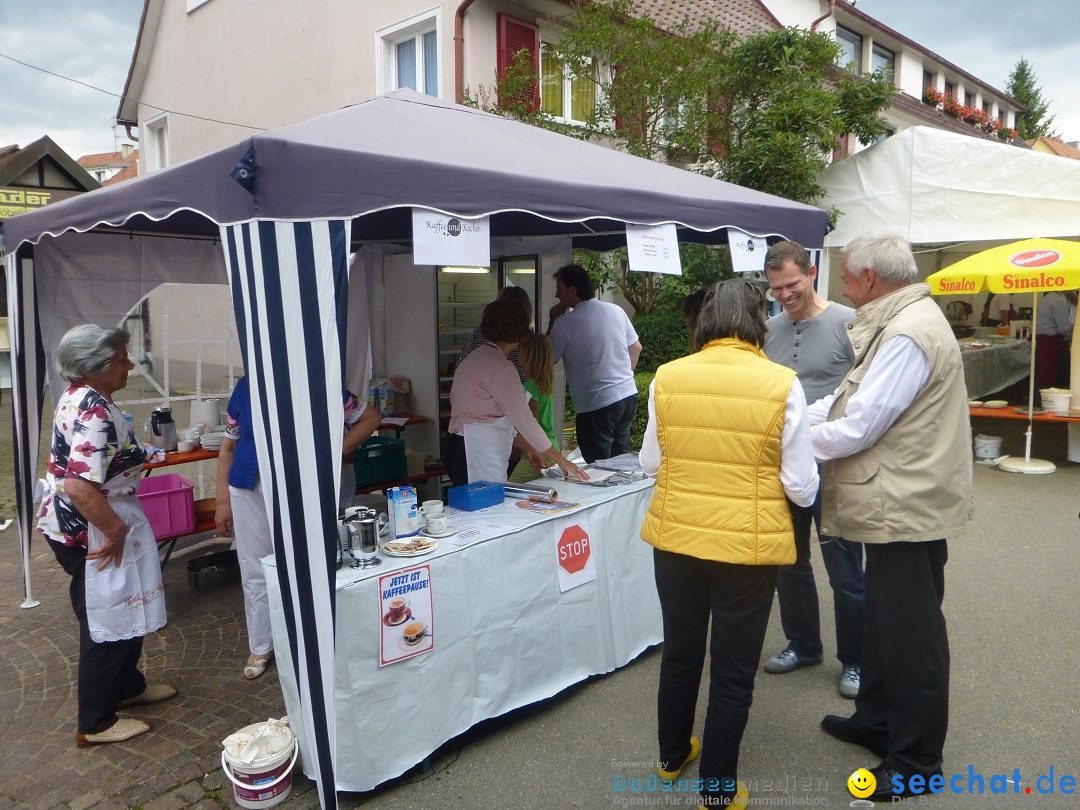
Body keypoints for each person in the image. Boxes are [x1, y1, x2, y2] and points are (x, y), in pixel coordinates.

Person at [639, 280, 818, 809]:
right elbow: (802, 485)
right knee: (734, 672)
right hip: (748, 547)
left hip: (676, 539)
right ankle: (717, 792)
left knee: (680, 650)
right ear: (758, 319)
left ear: (707, 321)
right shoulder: (782, 382)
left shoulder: (667, 377)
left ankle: (672, 756)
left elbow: (651, 462)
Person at [810, 231, 972, 802]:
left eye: (847, 278)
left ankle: (916, 761)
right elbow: (851, 403)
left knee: (910, 635)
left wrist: (790, 437)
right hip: (901, 497)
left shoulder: (906, 330)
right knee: (885, 623)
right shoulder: (904, 318)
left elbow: (859, 426)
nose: (844, 289)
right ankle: (876, 721)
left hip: (905, 502)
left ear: (870, 279)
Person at [37, 324, 177, 746]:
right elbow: (80, 485)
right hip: (90, 526)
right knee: (105, 616)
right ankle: (95, 723)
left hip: (83, 519)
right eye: (121, 358)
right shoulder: (94, 409)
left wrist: (139, 452)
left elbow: (93, 462)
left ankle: (127, 687)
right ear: (96, 366)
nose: (129, 365)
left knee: (122, 605)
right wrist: (114, 532)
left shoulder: (85, 396)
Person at [215, 377, 380, 679]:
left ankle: (314, 639)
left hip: (303, 487)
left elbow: (370, 419)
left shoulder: (319, 376)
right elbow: (229, 444)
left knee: (311, 563)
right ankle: (261, 643)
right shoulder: (246, 386)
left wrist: (334, 452)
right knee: (255, 567)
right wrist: (221, 501)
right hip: (249, 484)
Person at [762, 241, 865, 699]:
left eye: (792, 285)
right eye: (776, 288)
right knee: (789, 561)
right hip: (784, 464)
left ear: (812, 272)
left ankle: (857, 660)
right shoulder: (767, 330)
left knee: (844, 567)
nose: (784, 295)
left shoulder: (848, 322)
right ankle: (804, 644)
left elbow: (866, 395)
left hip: (834, 465)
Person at [445, 297, 586, 486]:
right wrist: (560, 460)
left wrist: (527, 448)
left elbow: (488, 417)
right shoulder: (501, 369)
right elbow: (526, 421)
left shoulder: (473, 358)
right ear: (518, 333)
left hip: (459, 445)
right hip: (475, 452)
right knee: (485, 508)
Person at [547, 264, 642, 462]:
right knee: (620, 462)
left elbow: (547, 359)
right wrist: (622, 377)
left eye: (559, 289)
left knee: (599, 469)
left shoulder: (564, 323)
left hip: (596, 404)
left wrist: (552, 322)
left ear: (573, 290)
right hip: (627, 394)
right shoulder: (616, 310)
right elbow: (636, 348)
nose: (557, 295)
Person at [508, 332, 557, 483]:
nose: (517, 355)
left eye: (519, 351)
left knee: (511, 488)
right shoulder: (541, 384)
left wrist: (518, 446)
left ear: (528, 356)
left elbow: (530, 423)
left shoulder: (530, 387)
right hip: (550, 445)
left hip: (537, 450)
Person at [456, 285, 531, 383]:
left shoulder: (481, 332)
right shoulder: (529, 338)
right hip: (522, 388)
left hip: (485, 388)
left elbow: (460, 367)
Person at [1034, 290, 1076, 395]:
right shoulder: (1060, 300)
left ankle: (1038, 400)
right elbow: (1063, 328)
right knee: (1047, 375)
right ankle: (1044, 401)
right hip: (1048, 342)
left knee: (1041, 375)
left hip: (1041, 340)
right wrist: (1074, 332)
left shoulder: (1048, 297)